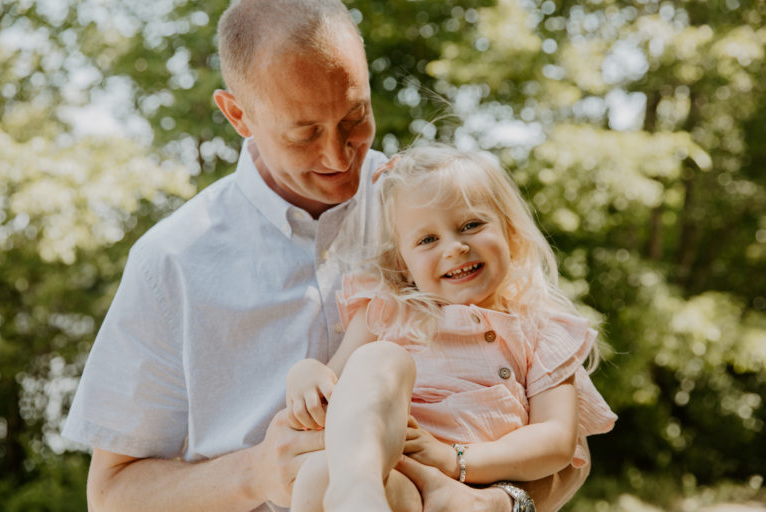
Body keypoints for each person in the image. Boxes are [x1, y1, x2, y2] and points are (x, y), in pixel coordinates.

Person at [62, 1, 593, 510]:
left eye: (354, 118)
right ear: (237, 115)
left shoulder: (429, 202)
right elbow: (111, 497)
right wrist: (255, 474)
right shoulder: (171, 261)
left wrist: (498, 505)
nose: (339, 157)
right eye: (305, 133)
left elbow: (566, 449)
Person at [286, 145, 617, 512]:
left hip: (464, 493)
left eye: (471, 225)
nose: (455, 247)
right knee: (326, 460)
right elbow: (335, 384)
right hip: (391, 477)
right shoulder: (387, 310)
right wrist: (306, 374)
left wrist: (453, 458)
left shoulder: (541, 328)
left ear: (511, 232)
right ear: (404, 264)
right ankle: (355, 490)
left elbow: (556, 441)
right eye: (427, 240)